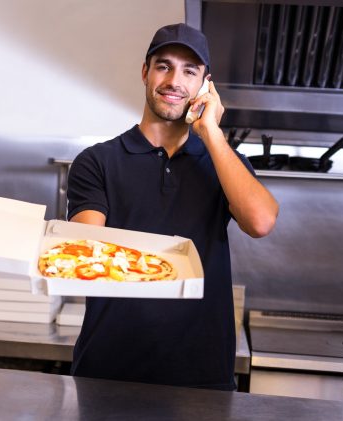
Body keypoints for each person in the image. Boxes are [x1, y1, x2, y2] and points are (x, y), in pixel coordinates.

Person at [66, 23, 279, 390]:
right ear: (145, 72)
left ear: (205, 86)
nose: (174, 80)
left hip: (201, 376)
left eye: (189, 71)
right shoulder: (97, 161)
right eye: (164, 66)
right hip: (108, 370)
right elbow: (89, 255)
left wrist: (210, 132)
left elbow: (260, 222)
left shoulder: (222, 160)